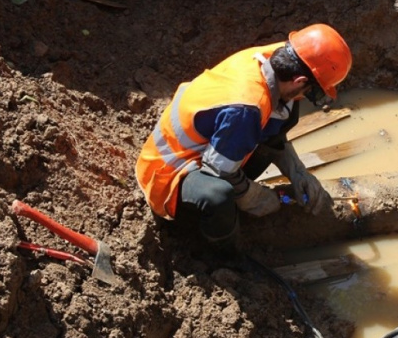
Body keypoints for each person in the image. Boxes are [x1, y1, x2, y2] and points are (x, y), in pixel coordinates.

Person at [135, 23, 352, 251]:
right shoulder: (247, 108)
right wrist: (254, 197)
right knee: (218, 195)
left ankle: (233, 206)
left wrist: (298, 173)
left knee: (287, 110)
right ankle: (223, 254)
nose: (305, 96)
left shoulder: (280, 60)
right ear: (299, 80)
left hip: (213, 141)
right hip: (168, 172)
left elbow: (275, 132)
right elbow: (217, 170)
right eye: (308, 90)